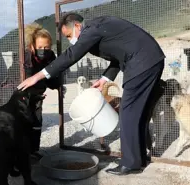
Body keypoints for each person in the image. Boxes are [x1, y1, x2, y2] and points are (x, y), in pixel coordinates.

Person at [17, 13, 165, 175]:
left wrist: (38, 76)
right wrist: (104, 79)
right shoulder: (101, 27)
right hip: (149, 60)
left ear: (78, 26)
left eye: (68, 35)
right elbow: (118, 57)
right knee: (138, 113)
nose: (70, 40)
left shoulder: (92, 29)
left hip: (141, 63)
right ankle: (138, 158)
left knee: (128, 112)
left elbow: (71, 55)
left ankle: (131, 163)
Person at [21, 23, 64, 160]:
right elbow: (26, 78)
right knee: (20, 122)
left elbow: (52, 75)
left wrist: (58, 86)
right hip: (16, 91)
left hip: (36, 94)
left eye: (46, 47)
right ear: (32, 46)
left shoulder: (50, 56)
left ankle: (33, 151)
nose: (43, 50)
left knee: (37, 121)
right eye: (39, 47)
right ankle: (18, 154)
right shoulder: (27, 56)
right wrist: (33, 92)